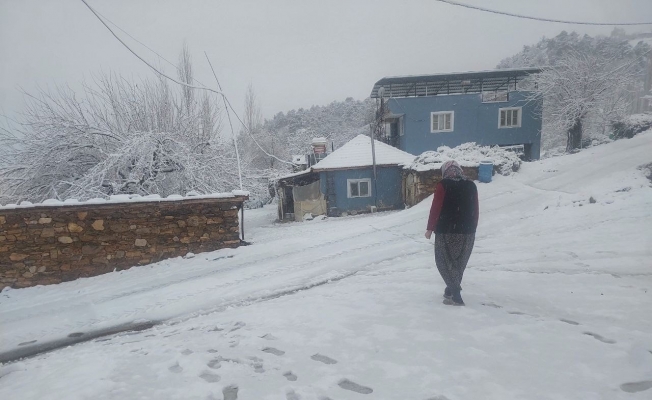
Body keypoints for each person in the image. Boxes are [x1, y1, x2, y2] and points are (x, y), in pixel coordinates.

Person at [425, 160, 479, 306]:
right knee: (459, 262)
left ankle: (456, 295)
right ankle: (450, 290)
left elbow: (436, 207)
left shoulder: (444, 185)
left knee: (443, 261)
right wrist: (472, 227)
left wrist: (430, 227)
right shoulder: (471, 185)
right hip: (467, 231)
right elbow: (476, 208)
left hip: (446, 230)